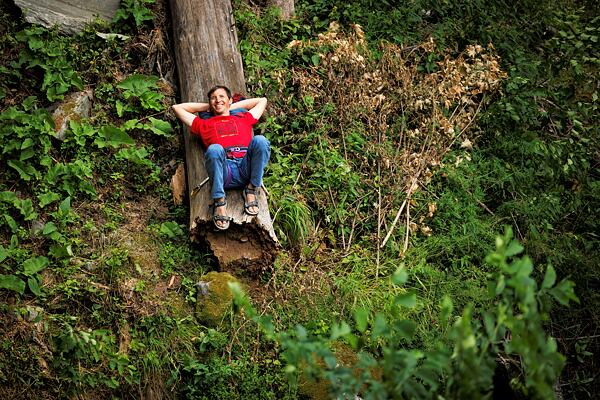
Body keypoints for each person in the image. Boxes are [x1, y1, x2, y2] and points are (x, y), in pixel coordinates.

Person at [172, 85, 270, 230]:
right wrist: (211, 106)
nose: (217, 100)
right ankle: (220, 201)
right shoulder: (204, 124)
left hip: (246, 168)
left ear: (230, 100)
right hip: (224, 171)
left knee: (261, 141)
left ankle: (251, 189)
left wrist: (228, 106)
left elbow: (262, 101)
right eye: (213, 98)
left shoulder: (243, 118)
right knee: (214, 149)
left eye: (221, 97)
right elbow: (177, 108)